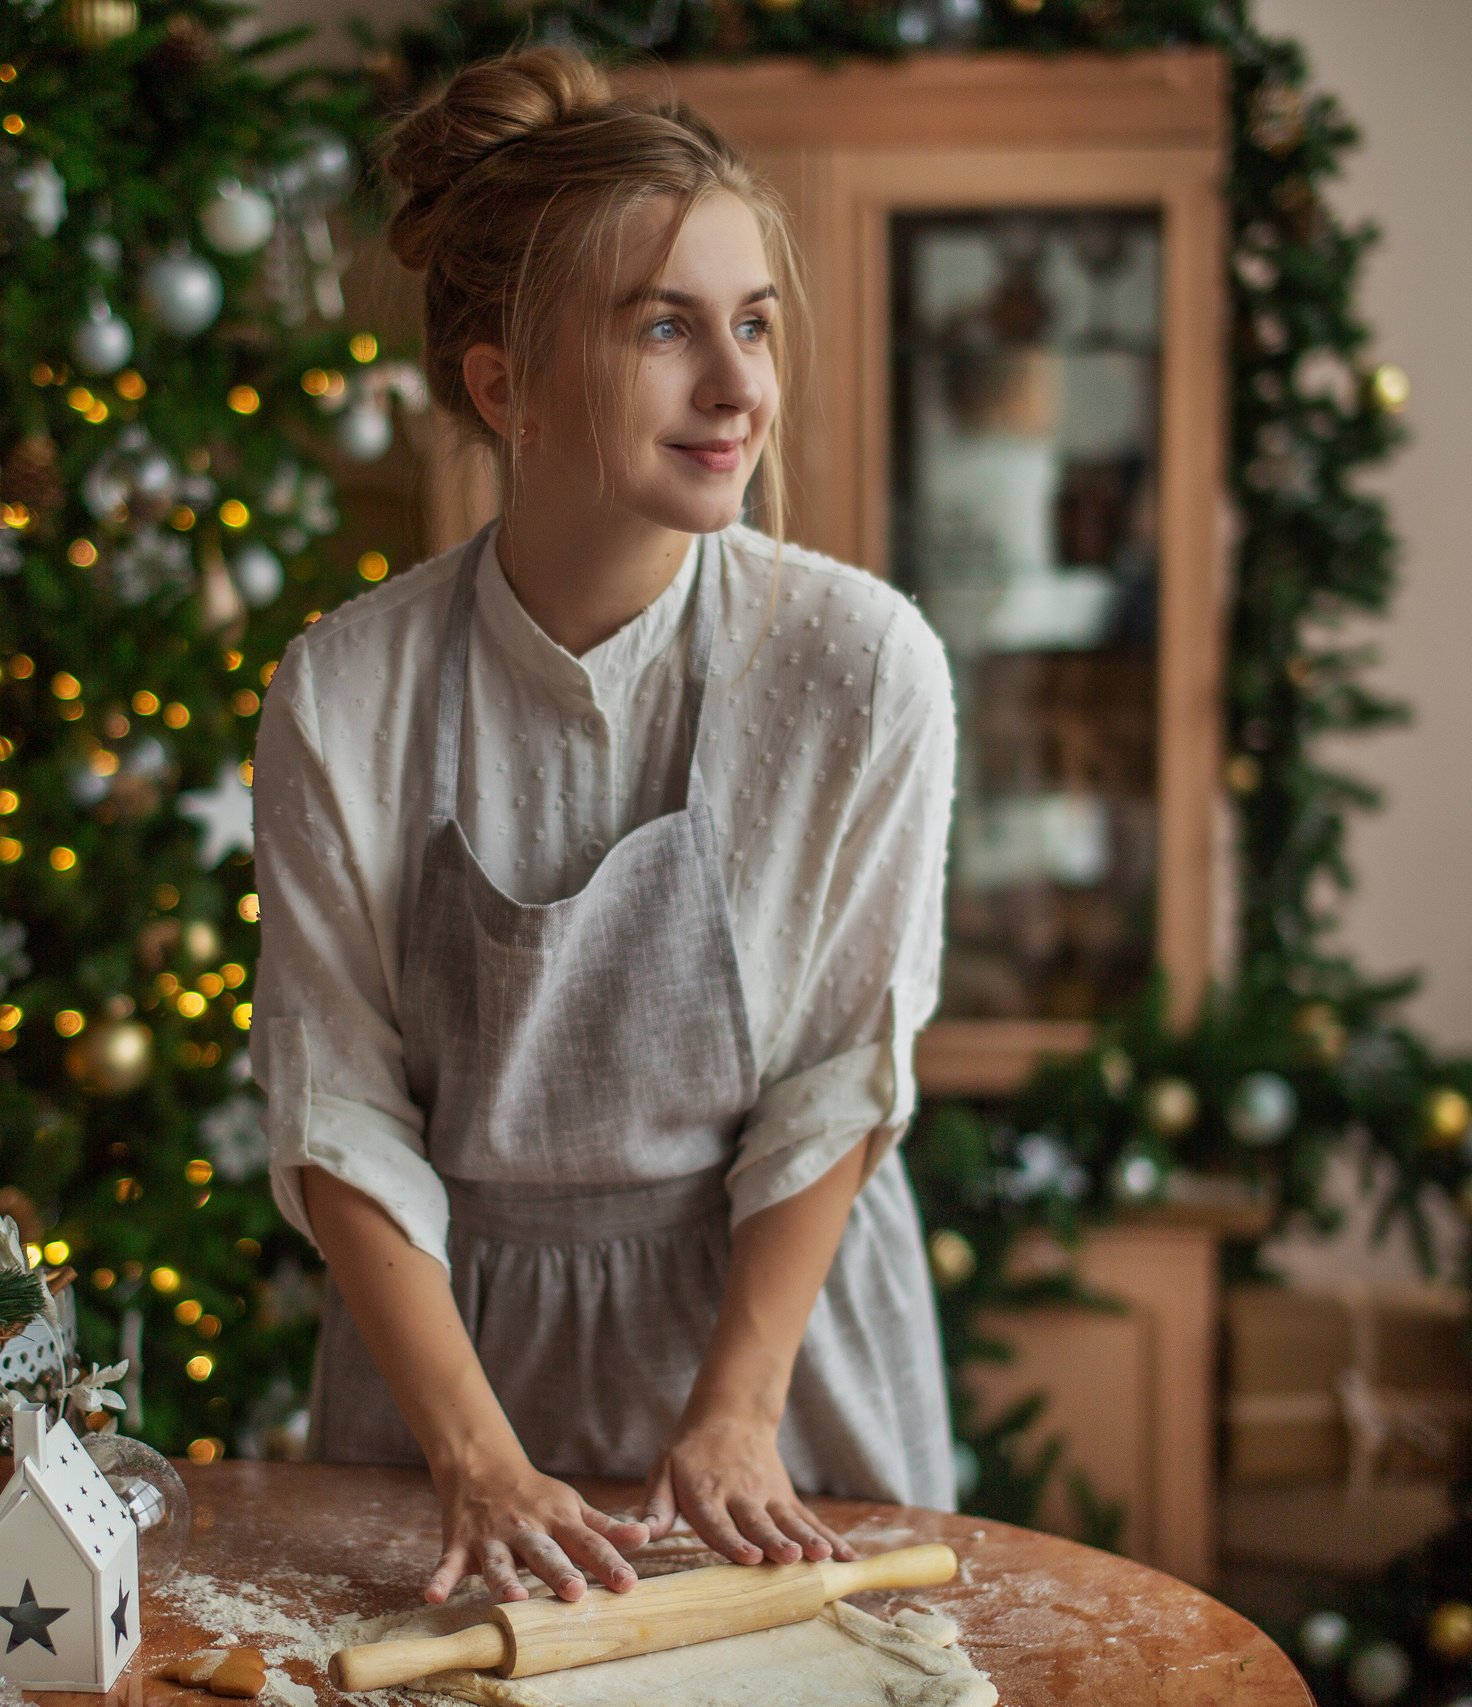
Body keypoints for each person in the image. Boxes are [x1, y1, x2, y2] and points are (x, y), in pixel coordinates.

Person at [249, 45, 957, 1610]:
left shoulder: (856, 669)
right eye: (665, 326)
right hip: (449, 1376)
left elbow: (841, 1076)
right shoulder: (345, 693)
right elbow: (341, 1111)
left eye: (754, 323)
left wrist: (734, 1417)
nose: (739, 387)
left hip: (778, 1358)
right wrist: (477, 1458)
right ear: (505, 385)